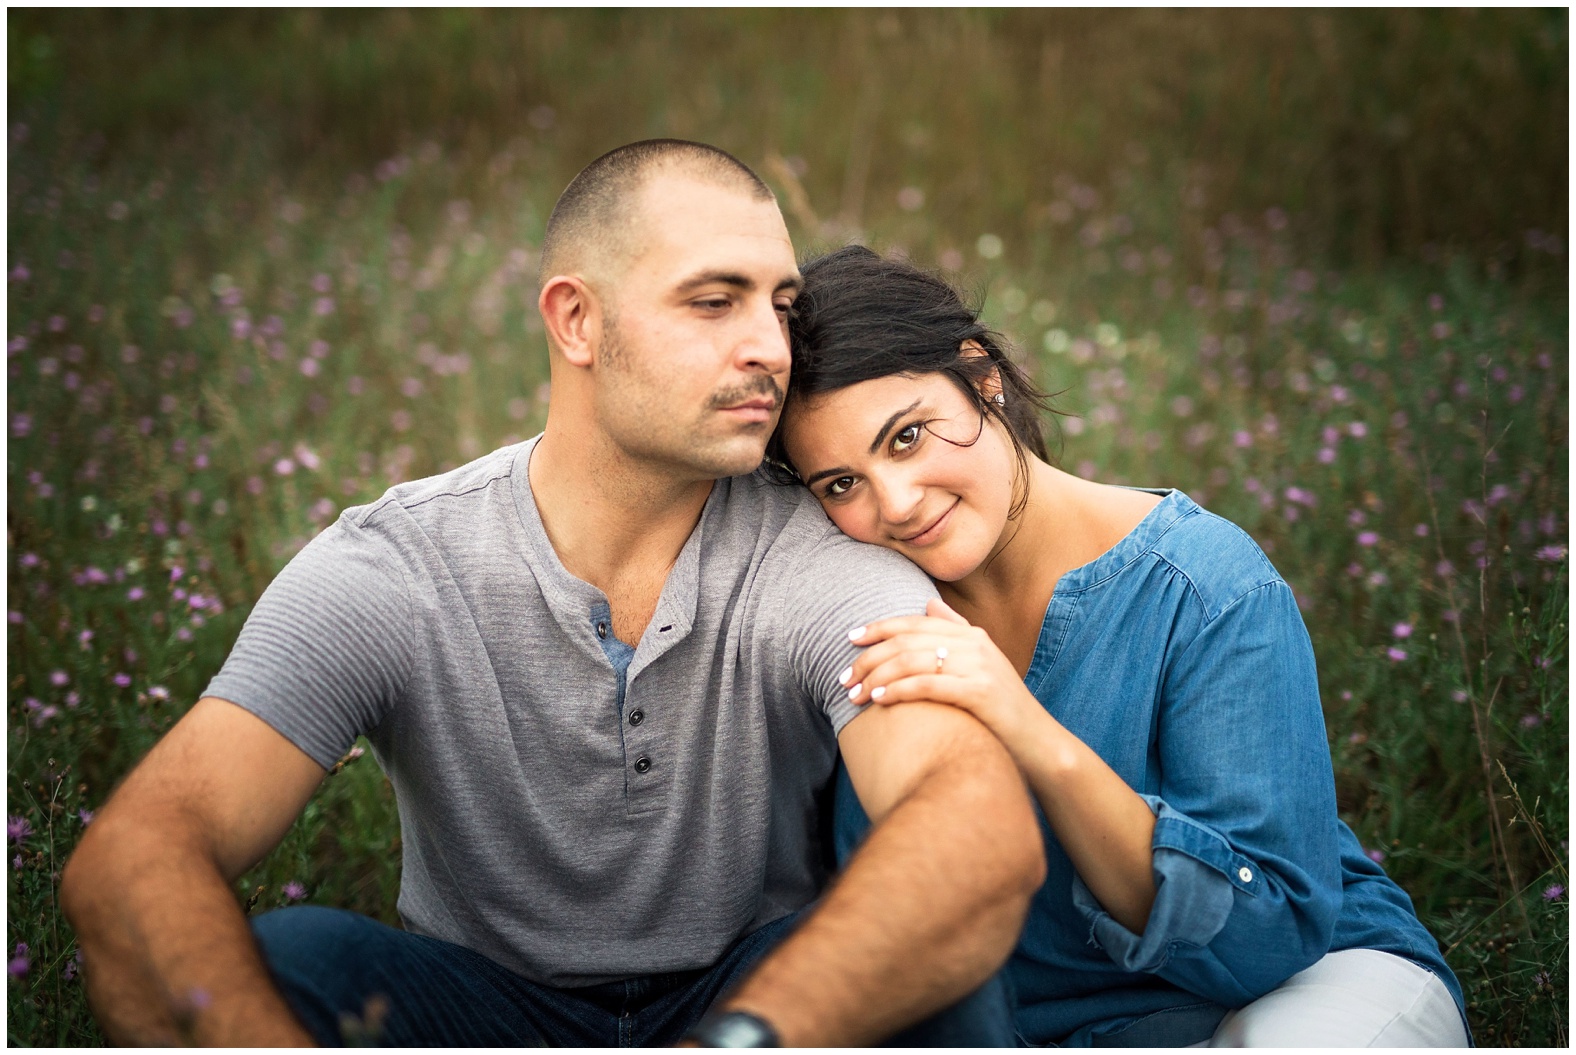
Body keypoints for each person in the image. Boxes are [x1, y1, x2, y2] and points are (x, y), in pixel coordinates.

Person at [60, 142, 1047, 1047]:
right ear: (577, 319)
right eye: (714, 301)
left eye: (781, 305)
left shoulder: (815, 555)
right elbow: (140, 849)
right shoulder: (397, 563)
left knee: (932, 976)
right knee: (293, 959)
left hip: (752, 997)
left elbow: (970, 820)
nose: (771, 349)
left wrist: (742, 1038)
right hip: (480, 1009)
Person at [770, 244, 1471, 1047]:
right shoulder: (853, 615)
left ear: (981, 375)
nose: (896, 502)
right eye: (840, 484)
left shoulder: (1206, 583)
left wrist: (1033, 734)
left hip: (1299, 988)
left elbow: (1268, 939)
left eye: (907, 437)